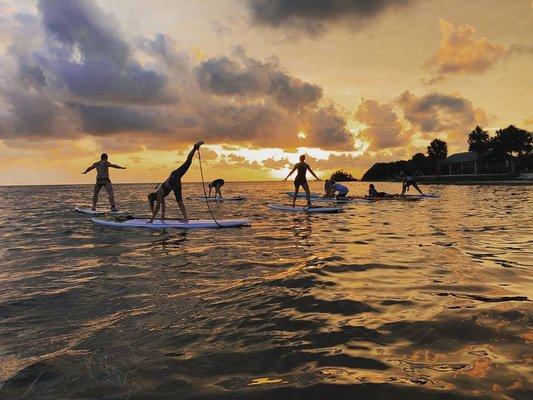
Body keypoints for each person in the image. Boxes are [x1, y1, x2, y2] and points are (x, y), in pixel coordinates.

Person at [147, 141, 204, 223]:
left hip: (174, 179)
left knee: (179, 201)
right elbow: (163, 206)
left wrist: (151, 220)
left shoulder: (159, 194)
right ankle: (195, 148)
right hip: (174, 176)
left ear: (154, 198)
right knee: (188, 162)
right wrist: (162, 217)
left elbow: (157, 208)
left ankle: (186, 218)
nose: (157, 201)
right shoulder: (160, 193)